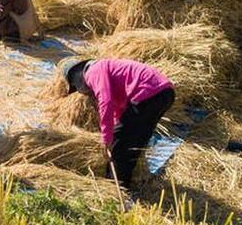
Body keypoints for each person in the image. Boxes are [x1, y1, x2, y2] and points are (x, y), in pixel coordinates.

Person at [60, 57, 175, 191]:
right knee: (134, 142)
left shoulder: (93, 71)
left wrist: (107, 137)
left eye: (76, 86)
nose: (80, 91)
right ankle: (127, 183)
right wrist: (115, 128)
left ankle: (115, 188)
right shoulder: (105, 69)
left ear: (78, 76)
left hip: (148, 93)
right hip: (164, 93)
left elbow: (105, 102)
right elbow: (119, 111)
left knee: (119, 144)